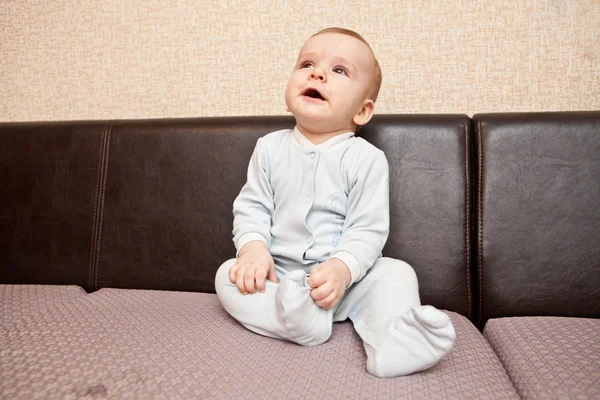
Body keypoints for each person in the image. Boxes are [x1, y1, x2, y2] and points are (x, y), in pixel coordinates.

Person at [215, 27, 456, 378]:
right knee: (227, 276)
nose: (317, 73)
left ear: (362, 110)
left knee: (396, 273)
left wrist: (342, 270)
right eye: (306, 64)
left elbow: (368, 228)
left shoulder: (368, 160)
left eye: (339, 71)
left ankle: (391, 342)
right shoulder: (269, 148)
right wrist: (252, 251)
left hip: (349, 282)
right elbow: (252, 207)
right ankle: (295, 320)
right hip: (280, 279)